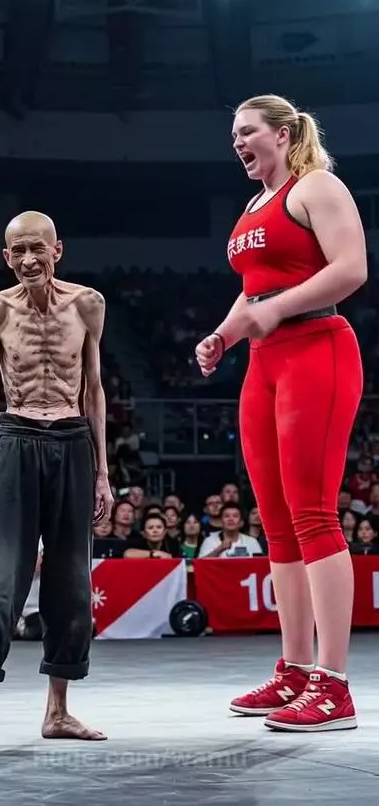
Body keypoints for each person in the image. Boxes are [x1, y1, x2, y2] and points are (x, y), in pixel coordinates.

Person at [195, 95, 366, 732]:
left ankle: (335, 685)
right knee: (278, 523)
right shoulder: (252, 207)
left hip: (317, 349)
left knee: (315, 513)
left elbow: (351, 269)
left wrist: (276, 308)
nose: (238, 143)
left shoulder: (317, 185)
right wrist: (224, 335)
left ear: (284, 133)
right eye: (233, 135)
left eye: (248, 132)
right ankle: (295, 672)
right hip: (265, 362)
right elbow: (253, 291)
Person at [0, 210, 114, 756]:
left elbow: (94, 390)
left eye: (39, 249)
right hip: (14, 441)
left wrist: (104, 471)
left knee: (71, 587)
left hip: (72, 442)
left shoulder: (88, 304)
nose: (29, 260)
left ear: (57, 250)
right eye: (19, 251)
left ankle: (57, 712)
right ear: (6, 256)